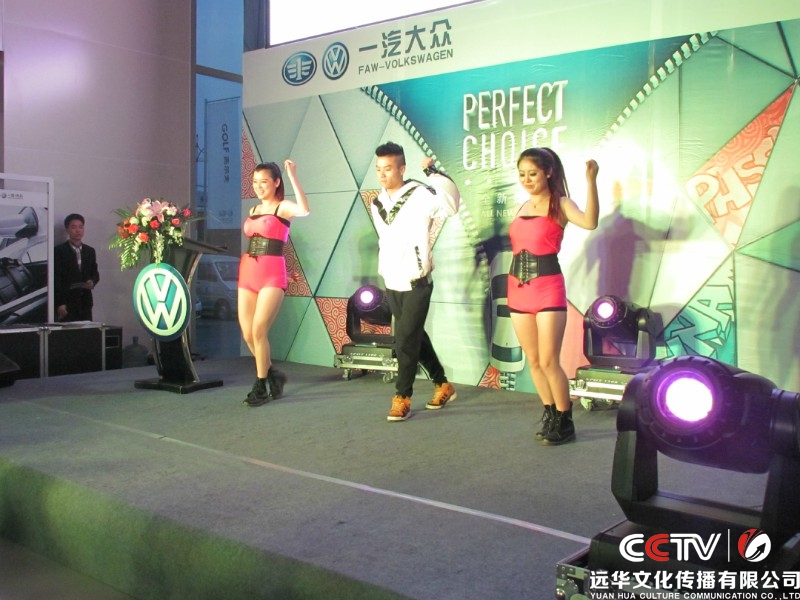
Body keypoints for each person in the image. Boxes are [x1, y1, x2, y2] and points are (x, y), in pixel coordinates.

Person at [508, 147, 599, 445]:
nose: (527, 180)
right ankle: (550, 413)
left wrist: (591, 181)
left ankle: (565, 419)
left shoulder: (561, 204)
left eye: (532, 174)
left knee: (549, 361)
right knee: (533, 360)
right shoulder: (522, 206)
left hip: (548, 289)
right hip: (517, 290)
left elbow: (590, 222)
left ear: (548, 172)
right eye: (522, 174)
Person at [372, 142, 461, 422]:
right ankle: (442, 383)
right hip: (392, 279)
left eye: (388, 168)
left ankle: (402, 396)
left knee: (405, 340)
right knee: (414, 336)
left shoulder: (420, 193)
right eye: (378, 169)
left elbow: (451, 205)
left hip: (417, 281)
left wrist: (433, 173)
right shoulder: (377, 202)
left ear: (402, 168)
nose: (382, 174)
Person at [238, 160, 310, 407]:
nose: (258, 186)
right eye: (255, 182)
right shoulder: (253, 209)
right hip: (248, 272)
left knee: (259, 330)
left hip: (272, 275)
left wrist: (293, 176)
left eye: (264, 182)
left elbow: (305, 209)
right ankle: (273, 375)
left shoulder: (283, 207)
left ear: (276, 182)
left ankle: (261, 386)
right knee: (248, 333)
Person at [53, 213, 100, 322]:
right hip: (67, 302)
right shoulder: (59, 251)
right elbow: (56, 279)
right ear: (67, 230)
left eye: (81, 227)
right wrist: (60, 303)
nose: (78, 230)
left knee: (86, 331)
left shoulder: (90, 251)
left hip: (85, 301)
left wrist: (92, 281)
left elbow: (95, 273)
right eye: (73, 227)